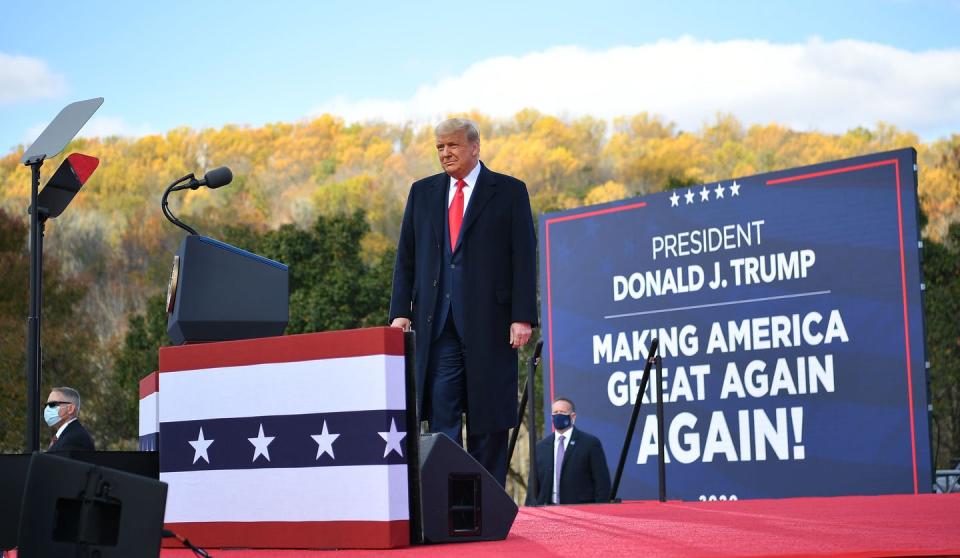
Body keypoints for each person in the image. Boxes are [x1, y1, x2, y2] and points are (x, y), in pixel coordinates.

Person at [389, 118, 538, 486]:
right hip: (437, 324)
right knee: (442, 416)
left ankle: (488, 503)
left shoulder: (508, 191)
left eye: (452, 146)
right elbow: (406, 256)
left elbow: (523, 256)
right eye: (440, 147)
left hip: (491, 324)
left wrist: (522, 316)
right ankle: (447, 500)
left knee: (489, 417)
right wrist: (400, 312)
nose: (445, 153)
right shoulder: (422, 193)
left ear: (475, 147)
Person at [526, 397, 611, 505]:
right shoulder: (540, 447)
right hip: (548, 513)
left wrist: (600, 512)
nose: (558, 415)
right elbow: (532, 487)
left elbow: (602, 484)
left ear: (573, 416)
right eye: (555, 412)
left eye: (562, 412)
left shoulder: (590, 444)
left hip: (581, 512)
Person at [45, 386, 95, 452]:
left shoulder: (75, 439)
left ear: (70, 409)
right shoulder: (64, 436)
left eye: (52, 404)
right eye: (46, 405)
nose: (47, 409)